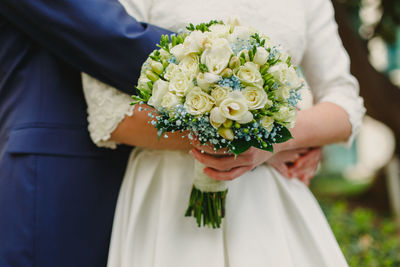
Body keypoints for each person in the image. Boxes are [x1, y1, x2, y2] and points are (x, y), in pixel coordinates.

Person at [0, 0, 318, 266]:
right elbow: (107, 33)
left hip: (139, 175)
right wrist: (249, 95)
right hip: (63, 176)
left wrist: (290, 128)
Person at [81, 0, 366, 266]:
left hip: (269, 200)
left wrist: (276, 140)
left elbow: (345, 101)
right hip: (167, 195)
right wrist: (239, 139)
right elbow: (110, 113)